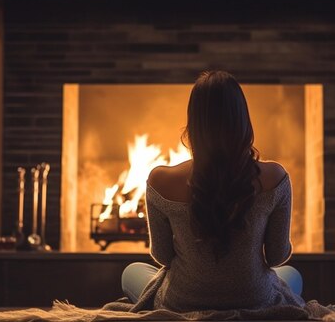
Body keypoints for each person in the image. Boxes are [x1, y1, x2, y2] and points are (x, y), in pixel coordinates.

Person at [121, 71, 304, 312]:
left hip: (182, 301)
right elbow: (277, 257)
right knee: (291, 274)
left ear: (193, 122)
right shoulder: (275, 177)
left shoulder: (160, 180)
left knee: (131, 272)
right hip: (255, 300)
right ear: (242, 119)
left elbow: (164, 257)